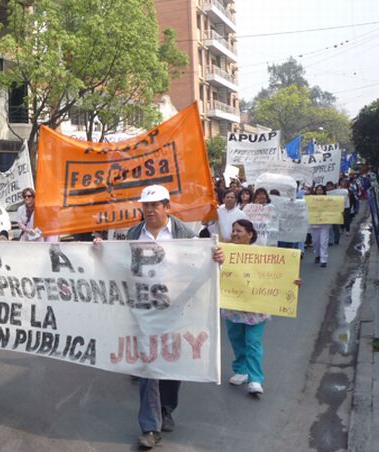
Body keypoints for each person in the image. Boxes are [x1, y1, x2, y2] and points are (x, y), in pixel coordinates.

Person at [95, 185, 224, 450]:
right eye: (146, 206)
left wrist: (216, 258)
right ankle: (150, 427)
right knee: (149, 367)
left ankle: (166, 408)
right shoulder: (134, 233)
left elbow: (201, 261)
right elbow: (120, 263)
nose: (150, 210)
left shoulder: (183, 234)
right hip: (143, 312)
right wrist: (101, 250)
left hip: (176, 310)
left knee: (171, 364)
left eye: (155, 205)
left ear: (167, 207)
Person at [222, 219, 301, 397]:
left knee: (253, 342)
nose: (234, 233)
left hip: (256, 308)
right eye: (233, 230)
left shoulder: (263, 254)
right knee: (236, 339)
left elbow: (277, 274)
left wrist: (292, 282)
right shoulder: (224, 252)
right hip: (232, 307)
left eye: (239, 230)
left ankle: (255, 379)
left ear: (250, 234)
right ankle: (241, 370)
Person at [308, 184, 330, 268]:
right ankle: (317, 255)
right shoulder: (311, 200)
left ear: (323, 191)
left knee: (323, 242)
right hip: (314, 224)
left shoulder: (328, 200)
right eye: (318, 190)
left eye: (321, 190)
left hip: (325, 224)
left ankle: (324, 260)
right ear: (315, 191)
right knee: (316, 242)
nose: (319, 191)